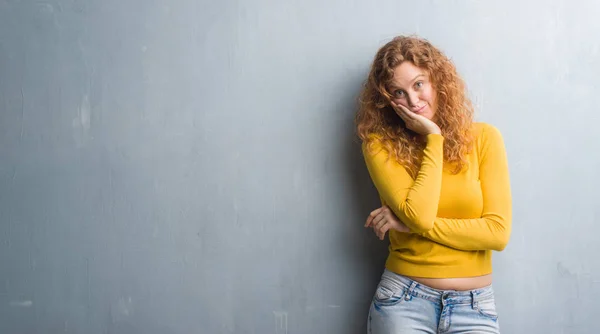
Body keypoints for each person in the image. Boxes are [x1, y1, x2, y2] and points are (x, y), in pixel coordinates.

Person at [355, 35, 512, 333]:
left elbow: (497, 233)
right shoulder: (379, 145)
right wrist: (434, 138)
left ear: (437, 80)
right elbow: (420, 216)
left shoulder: (484, 139)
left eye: (418, 84)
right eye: (398, 93)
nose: (413, 102)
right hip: (403, 302)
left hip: (474, 307)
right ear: (387, 100)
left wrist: (408, 226)